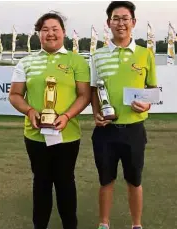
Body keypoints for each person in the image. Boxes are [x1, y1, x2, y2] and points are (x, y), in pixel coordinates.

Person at [9, 12, 90, 229]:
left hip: (68, 134)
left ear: (63, 32)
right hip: (35, 134)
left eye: (55, 29)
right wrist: (29, 111)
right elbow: (15, 95)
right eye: (45, 30)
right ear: (39, 34)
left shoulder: (77, 61)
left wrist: (66, 116)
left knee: (65, 183)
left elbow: (84, 95)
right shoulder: (26, 62)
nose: (50, 33)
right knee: (41, 183)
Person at [90, 2, 157, 229]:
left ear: (133, 22)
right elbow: (93, 89)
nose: (120, 23)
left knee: (134, 181)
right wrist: (96, 113)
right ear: (109, 23)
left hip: (135, 130)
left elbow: (152, 89)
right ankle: (104, 224)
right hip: (105, 131)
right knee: (105, 181)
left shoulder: (145, 54)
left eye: (125, 18)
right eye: (116, 18)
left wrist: (146, 106)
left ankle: (136, 225)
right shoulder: (97, 55)